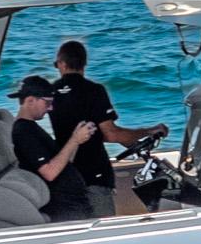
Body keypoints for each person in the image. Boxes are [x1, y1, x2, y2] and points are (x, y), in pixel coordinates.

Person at [46, 38, 167, 221]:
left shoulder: (51, 93)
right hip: (94, 175)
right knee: (102, 226)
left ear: (62, 64)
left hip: (67, 174)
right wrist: (149, 131)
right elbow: (111, 134)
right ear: (84, 63)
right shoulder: (94, 90)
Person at [8, 75, 95, 223]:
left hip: (75, 204)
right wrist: (74, 140)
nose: (51, 108)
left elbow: (63, 162)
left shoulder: (31, 128)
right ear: (30, 100)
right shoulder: (23, 132)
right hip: (65, 210)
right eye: (47, 103)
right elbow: (49, 172)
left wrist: (77, 139)